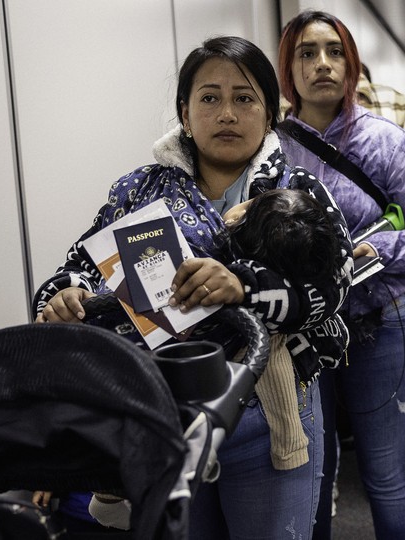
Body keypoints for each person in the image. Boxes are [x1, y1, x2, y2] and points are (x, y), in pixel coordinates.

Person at [32, 35, 352, 538]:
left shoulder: (298, 190)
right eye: (209, 98)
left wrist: (243, 286)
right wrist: (65, 295)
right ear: (185, 112)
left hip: (265, 414)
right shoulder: (137, 191)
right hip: (166, 416)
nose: (226, 113)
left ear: (269, 113)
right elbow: (79, 264)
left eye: (244, 99)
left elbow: (333, 288)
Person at [276, 10, 405, 540]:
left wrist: (379, 248)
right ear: (288, 67)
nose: (322, 64)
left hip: (382, 320)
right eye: (307, 53)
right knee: (312, 474)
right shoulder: (270, 148)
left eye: (335, 52)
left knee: (384, 474)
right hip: (300, 330)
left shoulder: (385, 142)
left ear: (351, 64)